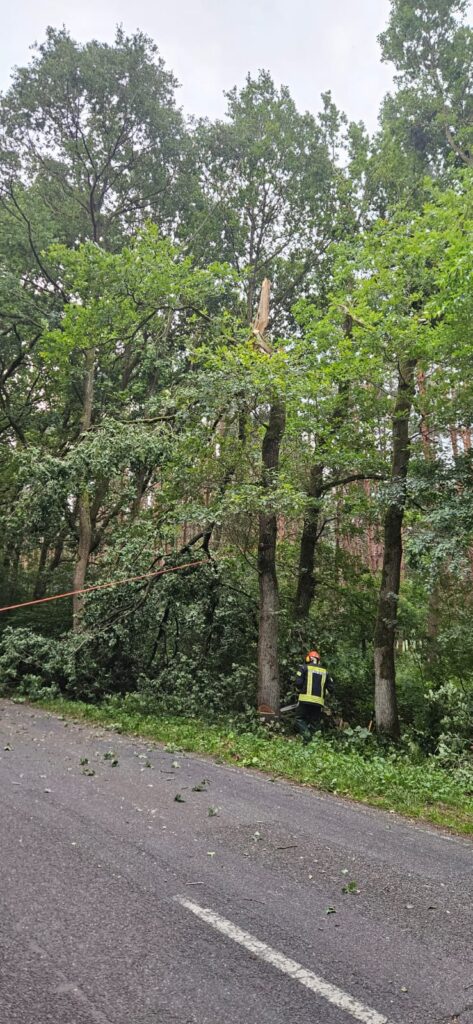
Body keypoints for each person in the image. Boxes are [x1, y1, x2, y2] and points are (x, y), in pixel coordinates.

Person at [294, 650, 334, 744]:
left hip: (305, 700)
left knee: (299, 718)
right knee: (314, 722)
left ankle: (307, 737)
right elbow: (331, 688)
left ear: (309, 658)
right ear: (318, 660)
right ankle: (311, 744)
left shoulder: (304, 668)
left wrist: (299, 690)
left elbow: (298, 683)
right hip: (318, 702)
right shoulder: (325, 672)